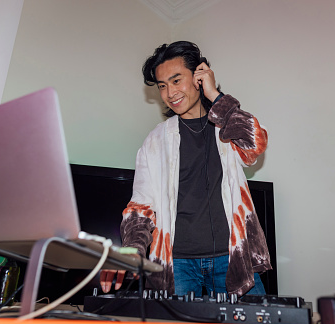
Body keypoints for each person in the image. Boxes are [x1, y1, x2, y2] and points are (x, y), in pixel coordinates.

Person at [100, 41, 272, 297]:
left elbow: (254, 144)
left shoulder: (225, 127)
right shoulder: (156, 140)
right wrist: (130, 252)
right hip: (175, 263)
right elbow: (141, 206)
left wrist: (217, 98)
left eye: (176, 80)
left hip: (231, 258)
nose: (170, 92)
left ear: (199, 77)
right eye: (162, 86)